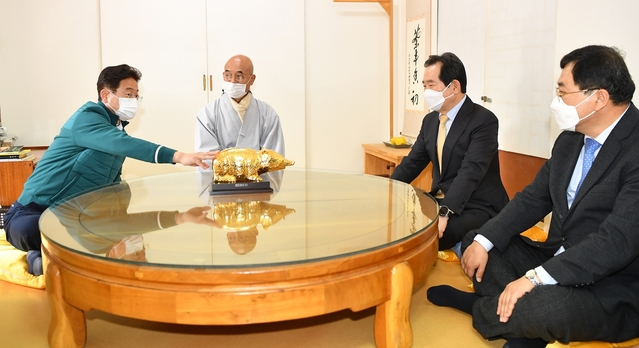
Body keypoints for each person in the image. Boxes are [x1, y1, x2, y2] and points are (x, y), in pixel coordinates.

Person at [428, 45, 639, 348]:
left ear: (599, 98)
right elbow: (532, 199)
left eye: (563, 93)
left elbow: (616, 242)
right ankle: (522, 318)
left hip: (613, 283)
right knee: (482, 242)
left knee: (549, 307)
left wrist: (534, 279)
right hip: (558, 255)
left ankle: (486, 308)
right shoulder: (570, 140)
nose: (557, 102)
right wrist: (485, 241)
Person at [3, 64, 217, 276]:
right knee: (36, 228)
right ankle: (36, 254)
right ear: (105, 95)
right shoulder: (88, 118)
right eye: (128, 93)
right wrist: (178, 156)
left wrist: (181, 218)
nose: (133, 100)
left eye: (136, 95)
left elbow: (123, 209)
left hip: (71, 219)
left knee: (112, 205)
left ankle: (40, 257)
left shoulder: (115, 130)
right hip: (32, 210)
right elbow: (123, 143)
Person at [391, 52, 509, 251]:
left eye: (431, 85)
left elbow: (471, 171)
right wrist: (387, 189)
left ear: (454, 87)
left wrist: (445, 211)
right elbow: (413, 162)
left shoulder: (483, 120)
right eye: (424, 86)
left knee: (431, 236)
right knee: (402, 223)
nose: (426, 91)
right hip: (441, 199)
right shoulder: (430, 121)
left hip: (477, 205)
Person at [195, 54, 285, 156]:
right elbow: (206, 159)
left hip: (259, 173)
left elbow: (274, 159)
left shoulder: (268, 114)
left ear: (252, 79)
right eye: (228, 75)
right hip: (220, 172)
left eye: (239, 76)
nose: (232, 81)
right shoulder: (207, 113)